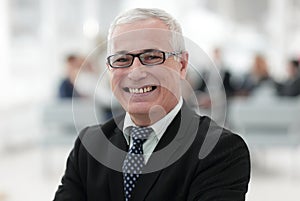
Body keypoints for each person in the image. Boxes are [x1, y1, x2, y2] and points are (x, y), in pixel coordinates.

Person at [53, 8, 250, 201]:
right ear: (109, 70)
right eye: (122, 59)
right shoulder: (89, 146)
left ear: (181, 65)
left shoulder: (219, 151)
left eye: (152, 57)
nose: (136, 72)